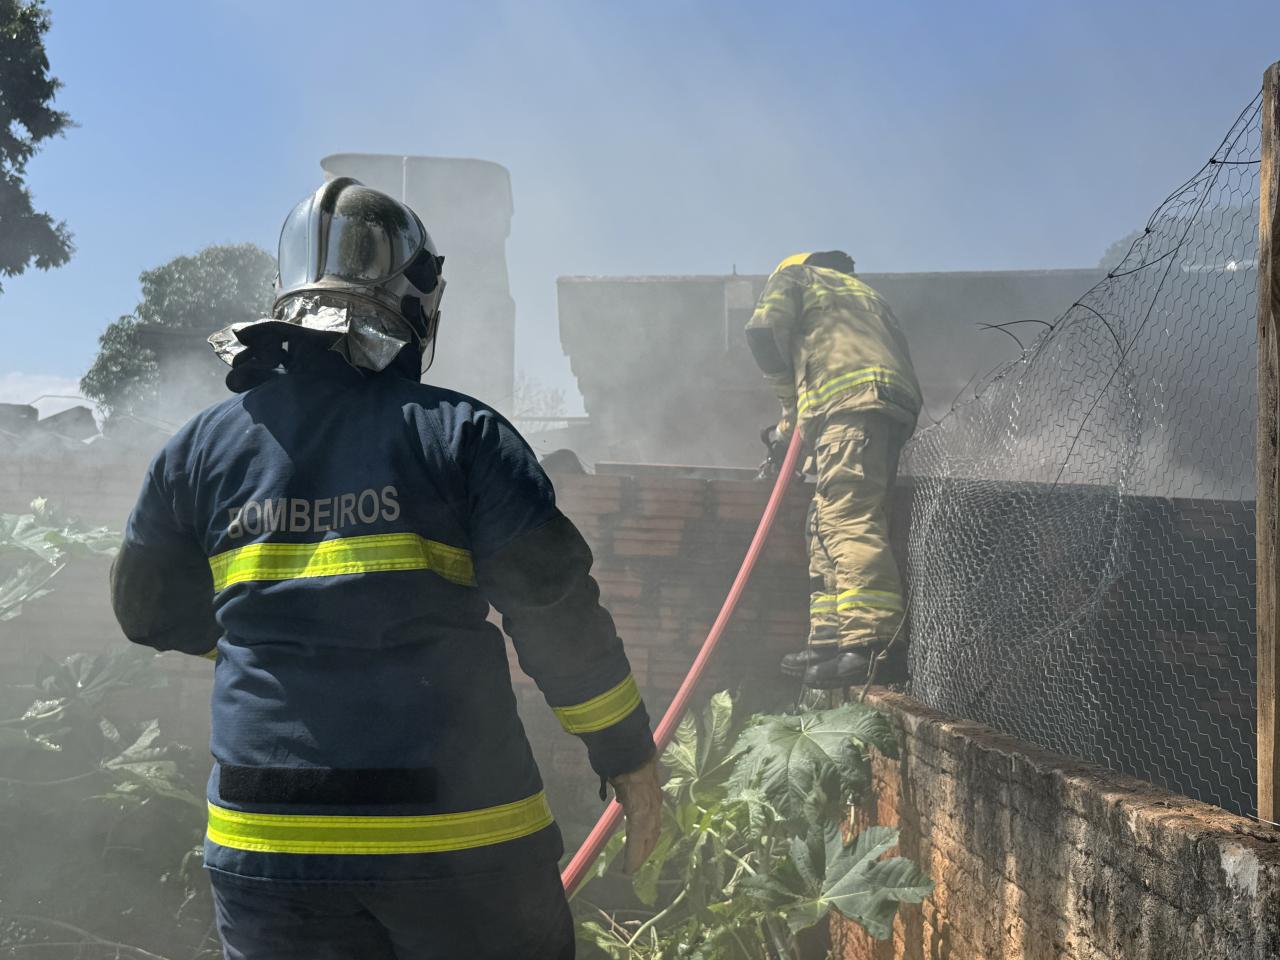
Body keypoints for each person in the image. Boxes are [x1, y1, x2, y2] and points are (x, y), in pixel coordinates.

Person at [109, 178, 661, 960]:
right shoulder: (461, 436)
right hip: (463, 843)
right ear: (413, 301)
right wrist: (626, 754)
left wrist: (254, 642)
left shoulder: (197, 451)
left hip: (268, 848)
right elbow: (556, 614)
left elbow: (145, 611)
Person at [745, 251, 921, 689]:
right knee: (823, 521)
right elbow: (831, 360)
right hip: (878, 404)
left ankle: (874, 645)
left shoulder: (795, 277)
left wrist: (788, 401)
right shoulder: (863, 296)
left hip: (849, 404)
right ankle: (829, 644)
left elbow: (764, 332)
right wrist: (793, 427)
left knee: (848, 516)